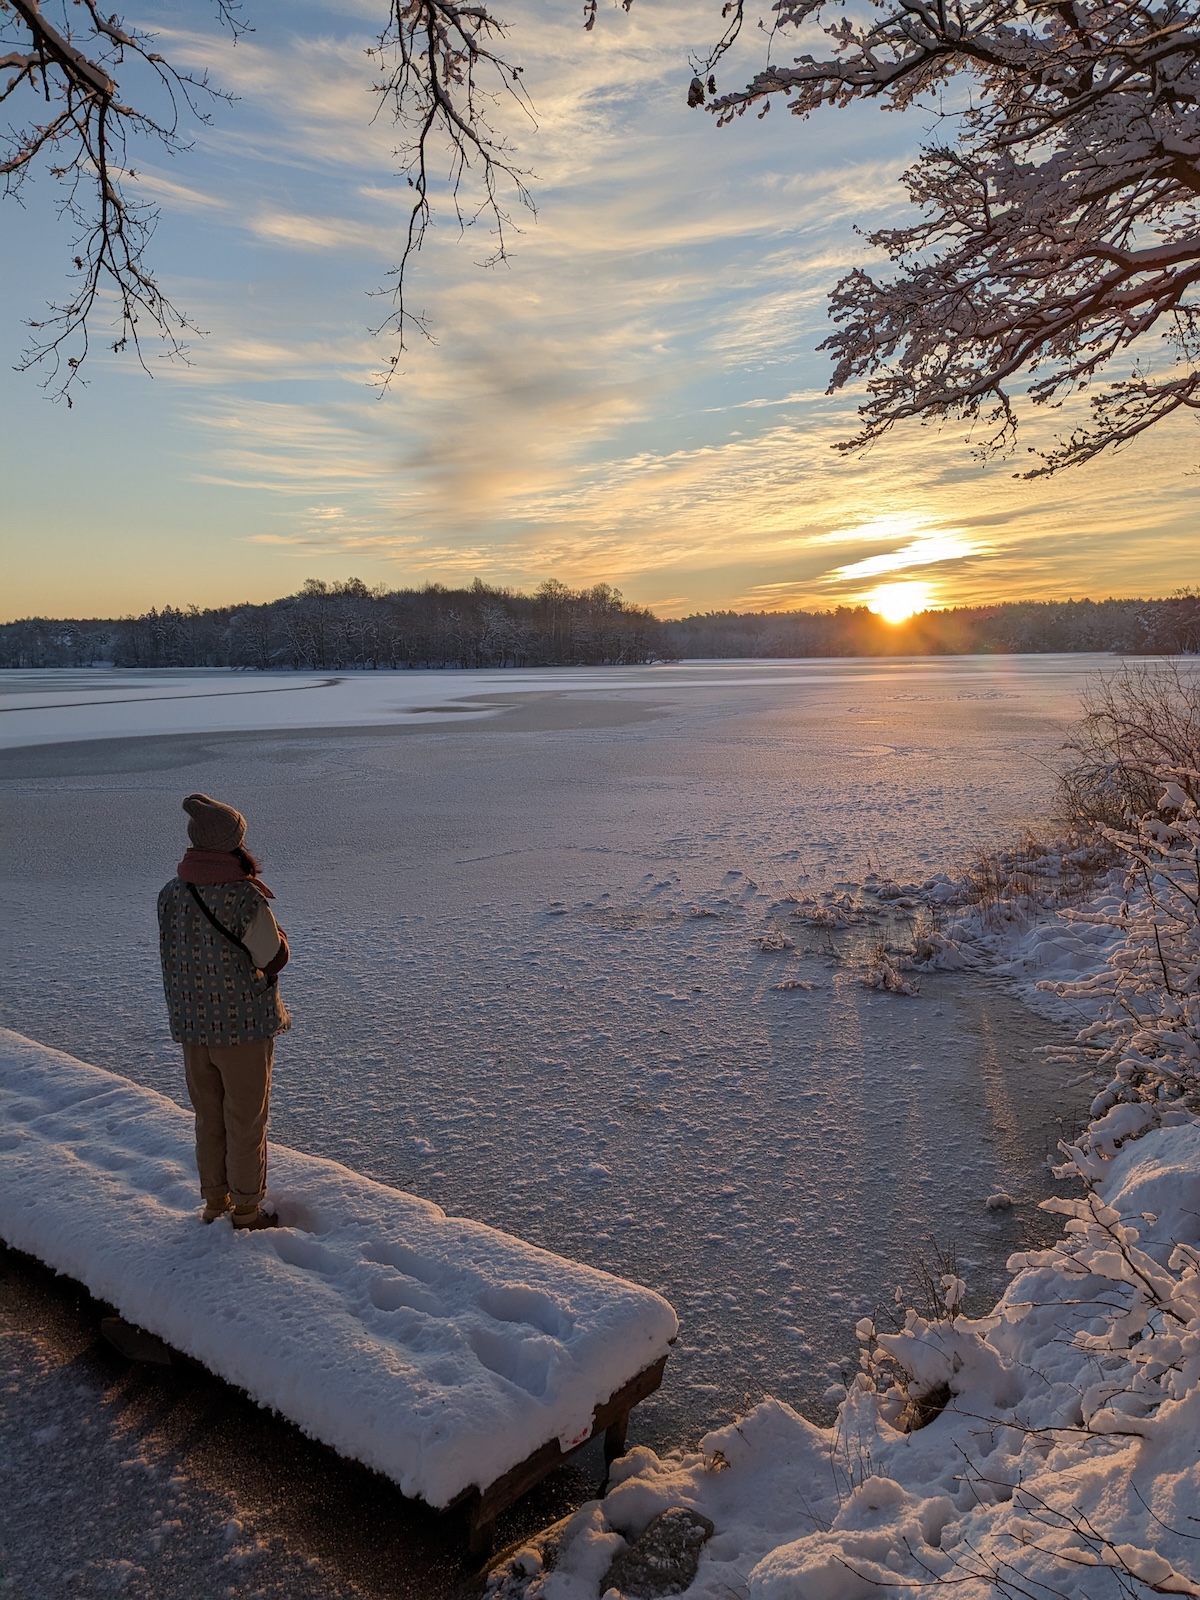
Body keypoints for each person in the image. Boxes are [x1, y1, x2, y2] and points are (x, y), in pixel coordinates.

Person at [157, 793, 291, 1230]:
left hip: (194, 1028)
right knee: (246, 1119)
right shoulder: (242, 898)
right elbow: (270, 957)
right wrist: (282, 938)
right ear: (230, 844)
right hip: (244, 1028)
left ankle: (215, 1202)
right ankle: (248, 1211)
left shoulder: (171, 894)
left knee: (209, 1117)